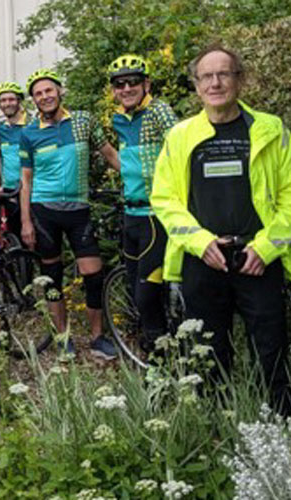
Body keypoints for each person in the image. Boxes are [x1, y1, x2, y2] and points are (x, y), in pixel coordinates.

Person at [151, 45, 291, 415]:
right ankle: (217, 431)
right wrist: (199, 242)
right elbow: (165, 199)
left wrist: (267, 247)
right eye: (207, 76)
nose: (216, 82)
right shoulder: (180, 136)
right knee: (209, 354)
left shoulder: (271, 130)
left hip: (258, 261)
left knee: (271, 351)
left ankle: (282, 428)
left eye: (224, 74)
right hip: (205, 261)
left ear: (240, 80)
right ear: (196, 85)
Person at [18, 69, 120, 359]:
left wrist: (139, 180)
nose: (44, 96)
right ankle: (62, 337)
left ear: (60, 91)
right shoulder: (29, 133)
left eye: (49, 90)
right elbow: (26, 180)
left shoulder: (83, 121)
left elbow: (110, 154)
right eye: (38, 94)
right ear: (34, 100)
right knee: (52, 277)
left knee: (93, 274)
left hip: (79, 208)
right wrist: (26, 222)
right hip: (44, 210)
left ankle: (97, 338)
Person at [107, 55, 179, 354]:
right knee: (134, 287)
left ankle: (160, 359)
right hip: (131, 213)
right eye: (119, 84)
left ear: (146, 83)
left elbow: (181, 148)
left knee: (145, 293)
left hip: (156, 213)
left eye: (133, 81)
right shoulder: (119, 119)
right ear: (113, 90)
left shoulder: (160, 111)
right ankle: (156, 343)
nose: (126, 88)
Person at [0, 81, 31, 239]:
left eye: (11, 99)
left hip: (31, 190)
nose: (7, 103)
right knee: (14, 236)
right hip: (10, 191)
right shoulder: (0, 128)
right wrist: (4, 183)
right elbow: (2, 158)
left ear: (19, 101)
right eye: (3, 100)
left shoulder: (32, 125)